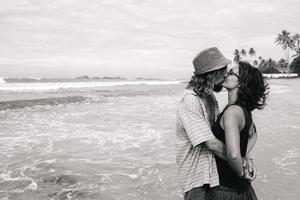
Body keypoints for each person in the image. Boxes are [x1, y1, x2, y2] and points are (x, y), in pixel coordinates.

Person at [175, 47, 256, 200]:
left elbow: (234, 134)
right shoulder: (190, 100)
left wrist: (246, 155)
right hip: (196, 177)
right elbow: (211, 143)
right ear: (212, 73)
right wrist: (241, 162)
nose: (226, 73)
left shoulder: (210, 97)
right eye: (223, 69)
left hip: (213, 176)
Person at [207, 61, 269, 200]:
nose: (225, 74)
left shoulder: (232, 112)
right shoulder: (243, 110)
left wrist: (242, 173)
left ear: (240, 83)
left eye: (230, 73)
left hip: (226, 190)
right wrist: (246, 155)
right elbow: (253, 136)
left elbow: (234, 155)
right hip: (240, 190)